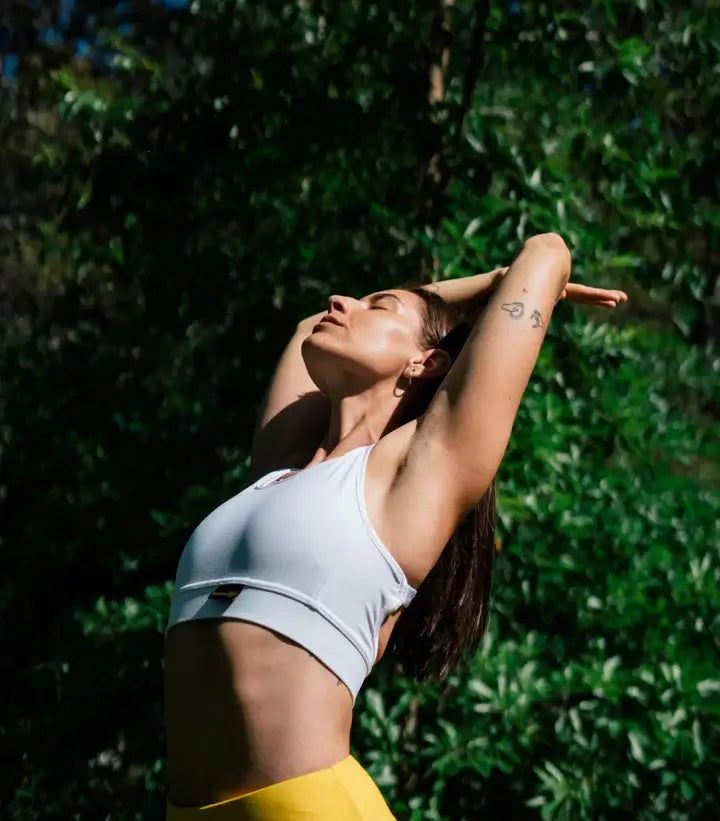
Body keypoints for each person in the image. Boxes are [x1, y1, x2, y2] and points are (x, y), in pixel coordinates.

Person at [163, 233, 628, 820]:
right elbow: (311, 321)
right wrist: (467, 289)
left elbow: (547, 251)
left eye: (376, 306)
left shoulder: (411, 477)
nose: (342, 301)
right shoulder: (278, 473)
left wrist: (500, 285)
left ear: (425, 361)